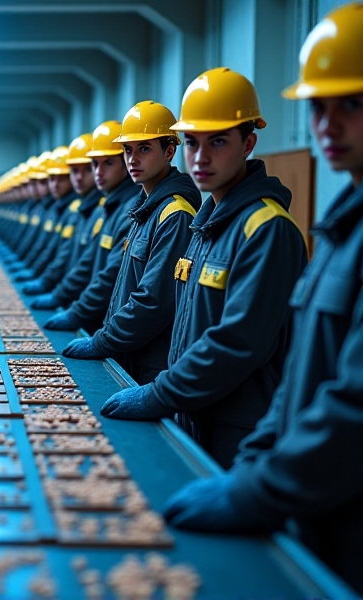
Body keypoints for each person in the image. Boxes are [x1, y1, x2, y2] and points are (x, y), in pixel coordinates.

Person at [163, 5, 363, 593]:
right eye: (318, 107)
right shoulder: (336, 233)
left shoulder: (269, 227)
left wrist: (257, 485)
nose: (327, 125)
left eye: (351, 105)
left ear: (250, 140)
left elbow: (351, 403)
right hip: (292, 480)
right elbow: (301, 368)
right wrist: (257, 462)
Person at [100, 69, 308, 469]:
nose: (202, 157)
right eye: (193, 142)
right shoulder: (206, 224)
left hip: (238, 426)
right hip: (193, 408)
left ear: (248, 143)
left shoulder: (266, 229)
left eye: (217, 141)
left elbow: (237, 342)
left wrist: (158, 393)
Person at [62, 101, 201, 385]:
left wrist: (102, 341)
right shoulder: (143, 210)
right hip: (129, 353)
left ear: (170, 151)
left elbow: (152, 302)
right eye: (128, 150)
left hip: (151, 364)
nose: (133, 159)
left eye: (144, 149)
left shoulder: (174, 214)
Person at [34, 121, 138, 325]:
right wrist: (56, 291)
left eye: (107, 163)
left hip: (106, 323)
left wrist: (77, 312)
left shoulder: (130, 210)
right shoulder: (105, 208)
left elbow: (111, 275)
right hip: (97, 318)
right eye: (95, 164)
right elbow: (85, 260)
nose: (98, 172)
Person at [23, 133, 104, 296]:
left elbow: (92, 267)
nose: (54, 185)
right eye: (74, 171)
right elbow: (57, 250)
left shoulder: (99, 209)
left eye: (88, 169)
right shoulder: (75, 207)